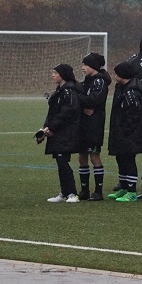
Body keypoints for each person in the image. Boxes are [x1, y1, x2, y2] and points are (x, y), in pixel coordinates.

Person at [106, 62, 142, 203]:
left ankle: (131, 191)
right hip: (120, 132)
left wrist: (125, 130)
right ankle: (123, 187)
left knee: (129, 160)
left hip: (129, 134)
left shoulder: (131, 92)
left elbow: (134, 114)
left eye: (116, 73)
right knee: (120, 159)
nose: (114, 76)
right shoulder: (122, 88)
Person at [44, 64, 82, 203]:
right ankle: (64, 192)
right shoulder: (60, 91)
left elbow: (68, 112)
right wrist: (46, 128)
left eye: (55, 73)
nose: (53, 75)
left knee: (63, 162)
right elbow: (53, 113)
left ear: (63, 75)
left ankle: (73, 194)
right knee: (60, 163)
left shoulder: (69, 91)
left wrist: (52, 127)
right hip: (58, 131)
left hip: (66, 132)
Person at [78, 53, 110, 201]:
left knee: (94, 155)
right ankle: (84, 190)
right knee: (82, 156)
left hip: (94, 124)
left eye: (86, 65)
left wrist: (81, 99)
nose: (83, 67)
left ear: (93, 66)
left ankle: (98, 191)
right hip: (83, 123)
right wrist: (82, 105)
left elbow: (94, 100)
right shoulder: (86, 81)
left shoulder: (100, 81)